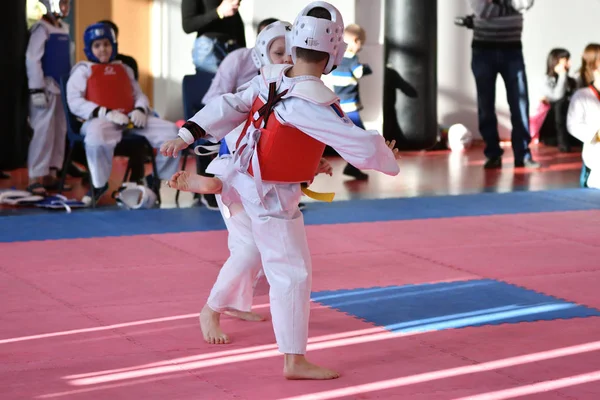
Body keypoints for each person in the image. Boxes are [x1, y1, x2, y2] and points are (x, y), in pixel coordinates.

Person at [161, 1, 400, 379]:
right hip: (269, 195)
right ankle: (294, 359)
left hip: (242, 175)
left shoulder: (270, 78)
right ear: (333, 52)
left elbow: (230, 105)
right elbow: (359, 144)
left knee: (252, 253)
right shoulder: (313, 103)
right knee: (292, 272)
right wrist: (387, 157)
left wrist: (189, 131)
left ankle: (216, 185)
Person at [66, 22, 180, 205]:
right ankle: (98, 183)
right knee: (94, 137)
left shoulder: (124, 69)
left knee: (172, 132)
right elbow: (74, 102)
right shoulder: (82, 70)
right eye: (97, 45)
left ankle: (158, 178)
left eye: (106, 44)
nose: (103, 49)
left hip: (130, 121)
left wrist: (140, 109)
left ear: (113, 45)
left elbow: (139, 95)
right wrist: (105, 112)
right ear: (89, 48)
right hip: (100, 121)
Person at [195, 17, 279, 210]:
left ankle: (277, 192)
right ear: (258, 39)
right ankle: (217, 184)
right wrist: (239, 113)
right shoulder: (237, 59)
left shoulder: (287, 67)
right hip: (232, 115)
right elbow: (215, 98)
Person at [468, 0, 540, 169]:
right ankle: (492, 153)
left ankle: (522, 154)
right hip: (483, 49)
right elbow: (481, 10)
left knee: (520, 104)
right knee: (485, 105)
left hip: (512, 49)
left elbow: (526, 4)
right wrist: (510, 5)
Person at [25, 0, 72, 195]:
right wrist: (36, 88)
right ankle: (35, 176)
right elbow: (32, 58)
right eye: (61, 3)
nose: (64, 7)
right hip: (45, 87)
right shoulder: (41, 28)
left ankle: (51, 173)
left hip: (61, 86)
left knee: (59, 131)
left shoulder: (64, 28)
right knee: (43, 131)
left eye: (66, 3)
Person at [327, 23, 372, 180]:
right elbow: (358, 73)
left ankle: (353, 166)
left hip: (339, 106)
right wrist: (366, 68)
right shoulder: (352, 58)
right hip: (351, 107)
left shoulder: (337, 58)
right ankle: (353, 167)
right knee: (362, 137)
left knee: (356, 137)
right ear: (356, 40)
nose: (360, 47)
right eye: (361, 44)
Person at [567, 43, 600, 189]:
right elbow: (573, 125)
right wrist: (596, 134)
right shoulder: (582, 96)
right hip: (595, 157)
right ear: (593, 65)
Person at [181, 0, 246, 73]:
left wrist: (244, 52)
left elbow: (235, 19)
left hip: (234, 48)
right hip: (210, 47)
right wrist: (218, 12)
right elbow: (188, 24)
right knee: (214, 83)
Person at [537, 48, 577, 152]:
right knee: (559, 103)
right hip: (552, 126)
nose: (570, 64)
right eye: (566, 60)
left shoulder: (572, 81)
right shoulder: (545, 80)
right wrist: (562, 75)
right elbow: (557, 96)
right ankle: (563, 143)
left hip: (569, 122)